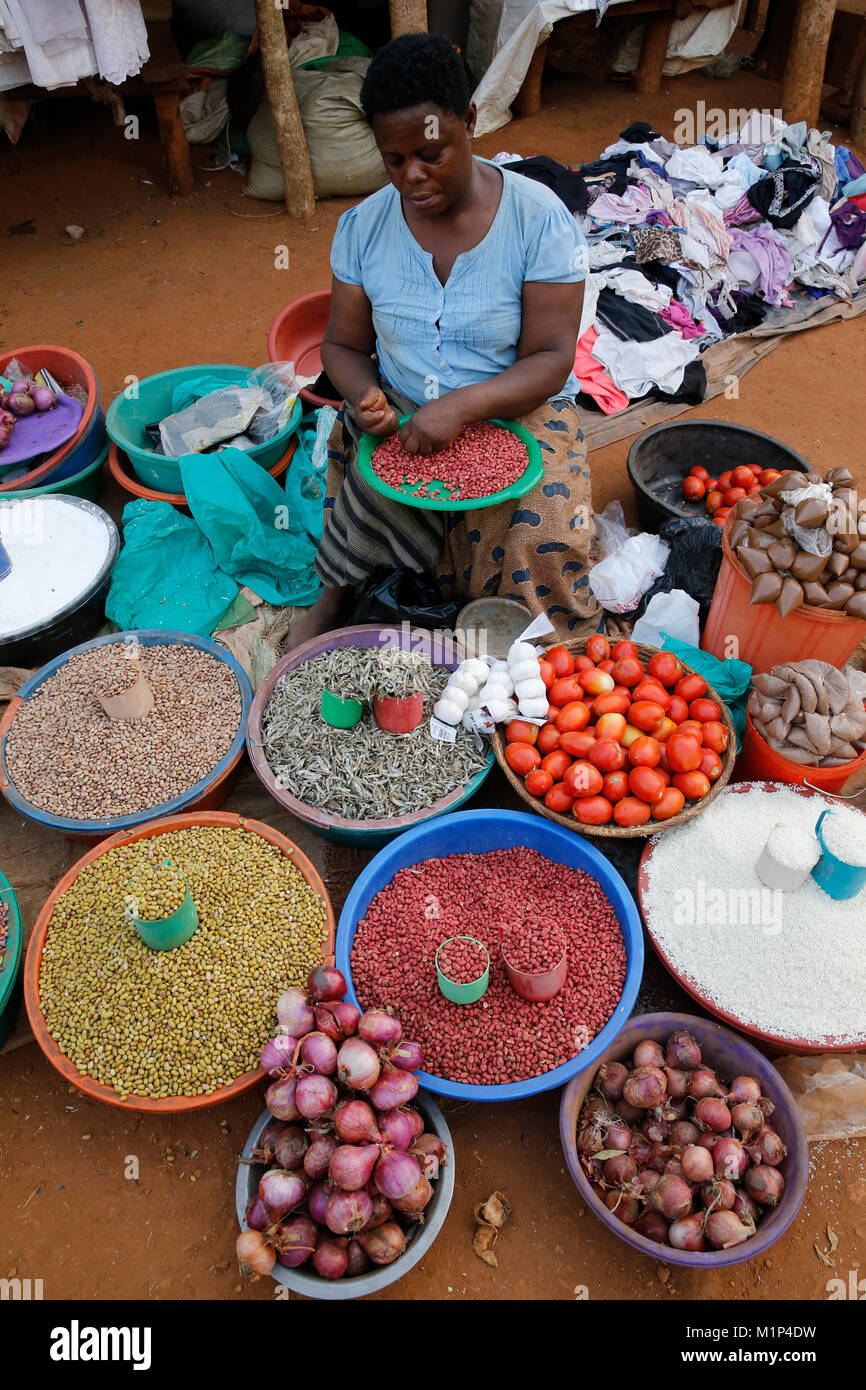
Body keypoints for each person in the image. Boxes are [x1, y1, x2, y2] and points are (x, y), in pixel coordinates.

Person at [292, 31, 601, 645]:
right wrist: (365, 397)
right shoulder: (362, 227)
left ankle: (528, 640)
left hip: (517, 408)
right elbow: (342, 348)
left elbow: (551, 357)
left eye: (430, 153)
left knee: (542, 535)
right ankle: (334, 593)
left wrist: (462, 406)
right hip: (404, 406)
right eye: (393, 159)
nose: (412, 175)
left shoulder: (538, 219)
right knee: (370, 486)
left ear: (468, 121)